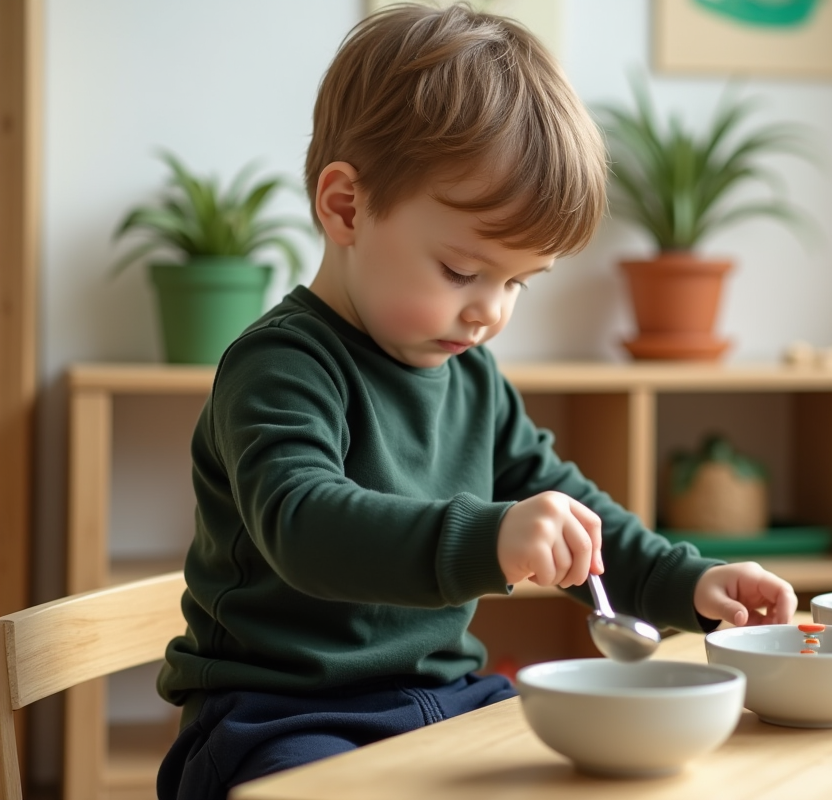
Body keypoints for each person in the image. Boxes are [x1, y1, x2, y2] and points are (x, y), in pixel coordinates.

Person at [155, 4, 798, 797]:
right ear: (346, 207)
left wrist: (688, 582)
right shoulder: (281, 365)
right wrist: (490, 537)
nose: (490, 311)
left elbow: (571, 513)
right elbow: (302, 524)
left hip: (444, 698)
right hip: (280, 715)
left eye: (519, 281)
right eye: (463, 271)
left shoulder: (472, 375)